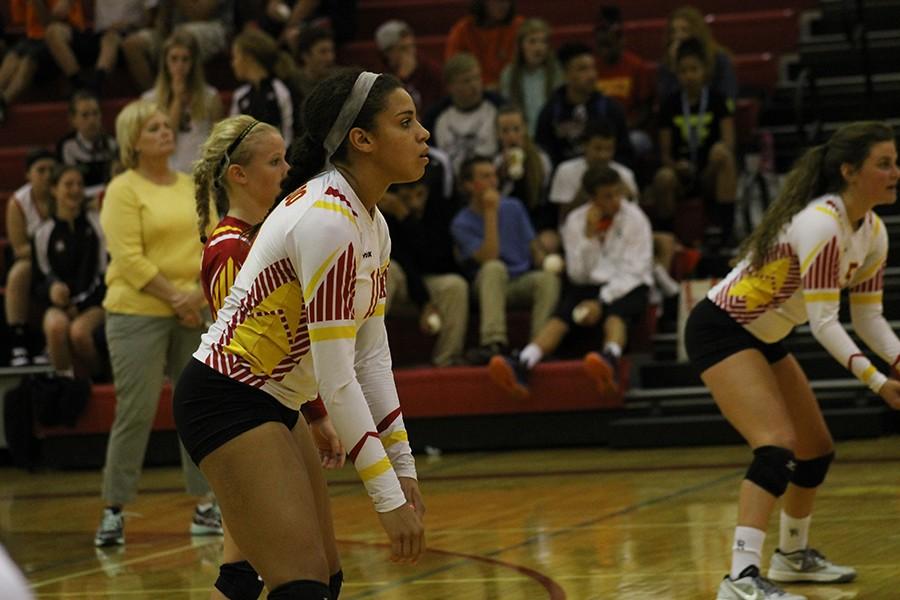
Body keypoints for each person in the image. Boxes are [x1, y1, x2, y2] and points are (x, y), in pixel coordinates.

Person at [173, 70, 426, 599]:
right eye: (406, 122)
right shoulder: (327, 219)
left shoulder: (370, 222)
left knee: (322, 578)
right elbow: (337, 380)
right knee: (299, 582)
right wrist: (386, 499)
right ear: (361, 140)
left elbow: (371, 358)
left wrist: (404, 472)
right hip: (227, 397)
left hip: (274, 400)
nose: (423, 133)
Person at [684, 121, 900, 600]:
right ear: (849, 171)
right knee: (775, 445)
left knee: (815, 449)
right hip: (721, 328)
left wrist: (898, 361)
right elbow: (825, 323)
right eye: (883, 164)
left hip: (764, 335)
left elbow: (869, 320)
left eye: (895, 162)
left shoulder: (873, 232)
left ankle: (791, 556)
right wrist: (878, 382)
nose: (895, 172)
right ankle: (740, 579)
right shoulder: (823, 223)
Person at [193, 114, 342, 600]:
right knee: (251, 576)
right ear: (239, 174)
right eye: (274, 161)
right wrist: (317, 411)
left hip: (276, 405)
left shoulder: (271, 234)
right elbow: (244, 347)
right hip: (243, 408)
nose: (286, 170)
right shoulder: (231, 247)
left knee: (306, 571)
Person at [95, 99, 219, 548]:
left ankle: (207, 505)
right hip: (137, 313)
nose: (165, 133)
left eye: (167, 125)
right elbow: (128, 259)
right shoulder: (123, 190)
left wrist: (198, 298)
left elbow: (215, 242)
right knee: (136, 410)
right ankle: (113, 510)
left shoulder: (192, 185)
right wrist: (176, 298)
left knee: (197, 409)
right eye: (153, 128)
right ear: (133, 141)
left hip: (193, 307)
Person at [489, 165, 652, 398]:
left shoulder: (636, 218)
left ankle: (611, 359)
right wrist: (589, 235)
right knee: (561, 316)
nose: (616, 200)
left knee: (616, 315)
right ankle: (524, 362)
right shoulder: (575, 222)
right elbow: (578, 273)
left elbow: (635, 270)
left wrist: (601, 301)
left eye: (618, 193)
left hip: (628, 285)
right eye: (607, 196)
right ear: (593, 198)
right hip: (588, 286)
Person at [451, 155, 560, 364]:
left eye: (494, 175)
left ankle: (538, 347)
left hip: (518, 281)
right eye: (485, 176)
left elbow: (533, 248)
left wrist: (547, 261)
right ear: (468, 185)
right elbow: (489, 256)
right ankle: (493, 344)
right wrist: (491, 212)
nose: (493, 182)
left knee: (547, 280)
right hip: (486, 285)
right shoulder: (461, 222)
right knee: (494, 267)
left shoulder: (514, 207)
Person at [650, 37, 737, 243]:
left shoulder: (717, 100)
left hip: (710, 172)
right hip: (682, 175)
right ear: (677, 74)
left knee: (723, 155)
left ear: (704, 71)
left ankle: (726, 233)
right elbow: (664, 154)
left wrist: (714, 159)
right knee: (663, 177)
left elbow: (728, 142)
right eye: (683, 71)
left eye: (694, 69)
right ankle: (668, 237)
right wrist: (676, 166)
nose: (689, 76)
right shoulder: (669, 104)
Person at [381, 178, 469, 367]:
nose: (414, 202)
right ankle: (361, 359)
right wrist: (424, 302)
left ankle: (447, 360)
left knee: (455, 285)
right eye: (406, 197)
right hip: (399, 284)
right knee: (390, 270)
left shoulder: (437, 209)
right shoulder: (382, 215)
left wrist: (406, 217)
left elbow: (437, 259)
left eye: (419, 195)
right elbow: (401, 260)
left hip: (426, 281)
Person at [32, 165, 107, 380]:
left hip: (95, 302)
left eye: (79, 185)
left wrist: (80, 304)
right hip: (59, 305)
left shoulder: (95, 224)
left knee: (79, 333)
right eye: (68, 184)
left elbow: (104, 273)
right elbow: (39, 280)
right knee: (55, 326)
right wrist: (51, 290)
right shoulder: (43, 232)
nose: (75, 190)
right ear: (54, 190)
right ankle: (65, 385)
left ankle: (99, 381)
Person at [535, 42, 633, 168]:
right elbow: (544, 157)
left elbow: (625, 155)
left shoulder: (611, 109)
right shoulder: (550, 112)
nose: (592, 75)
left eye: (593, 68)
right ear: (566, 74)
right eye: (583, 69)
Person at [142, 30, 223, 174]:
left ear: (194, 63)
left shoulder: (211, 97)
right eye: (174, 59)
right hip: (166, 174)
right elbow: (166, 137)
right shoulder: (149, 100)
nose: (179, 65)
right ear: (165, 62)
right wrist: (178, 99)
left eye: (185, 59)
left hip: (201, 174)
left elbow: (219, 144)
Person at [5, 148, 56, 367]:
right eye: (40, 170)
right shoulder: (18, 201)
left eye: (51, 170)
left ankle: (51, 345)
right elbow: (19, 249)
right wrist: (48, 248)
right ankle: (18, 342)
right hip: (35, 261)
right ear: (28, 174)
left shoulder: (64, 193)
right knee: (18, 272)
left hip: (62, 261)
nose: (47, 175)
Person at [493, 105, 556, 254]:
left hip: (537, 221)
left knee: (547, 243)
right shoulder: (495, 163)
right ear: (498, 134)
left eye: (516, 129)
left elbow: (546, 203)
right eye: (505, 131)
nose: (512, 136)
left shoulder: (542, 160)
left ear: (525, 129)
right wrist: (504, 176)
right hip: (506, 224)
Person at [429, 52, 504, 174]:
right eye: (466, 81)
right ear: (450, 86)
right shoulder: (436, 118)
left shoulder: (497, 109)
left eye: (477, 78)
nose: (474, 85)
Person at [657, 5, 737, 104]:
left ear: (698, 31)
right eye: (673, 31)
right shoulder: (667, 63)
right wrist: (674, 67)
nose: (678, 36)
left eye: (685, 30)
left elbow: (727, 95)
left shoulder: (719, 59)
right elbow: (666, 101)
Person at [230, 28, 297, 145]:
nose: (233, 63)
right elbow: (233, 137)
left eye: (235, 57)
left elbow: (289, 134)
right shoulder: (240, 96)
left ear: (249, 58)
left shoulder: (281, 90)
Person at [498, 18, 562, 136]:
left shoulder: (556, 72)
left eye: (543, 42)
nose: (539, 47)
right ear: (521, 45)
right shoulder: (509, 74)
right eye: (532, 42)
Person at [445, 0, 524, 89]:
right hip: (474, 94)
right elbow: (454, 72)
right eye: (498, 1)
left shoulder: (519, 27)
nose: (504, 5)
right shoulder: (462, 31)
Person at [56, 90, 118, 199]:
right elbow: (69, 182)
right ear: (73, 120)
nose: (92, 120)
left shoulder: (111, 143)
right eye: (85, 115)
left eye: (95, 113)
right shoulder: (67, 146)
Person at [375, 20, 443, 118]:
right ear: (387, 53)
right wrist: (402, 79)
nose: (410, 53)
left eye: (411, 46)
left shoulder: (431, 71)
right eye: (403, 49)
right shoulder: (381, 77)